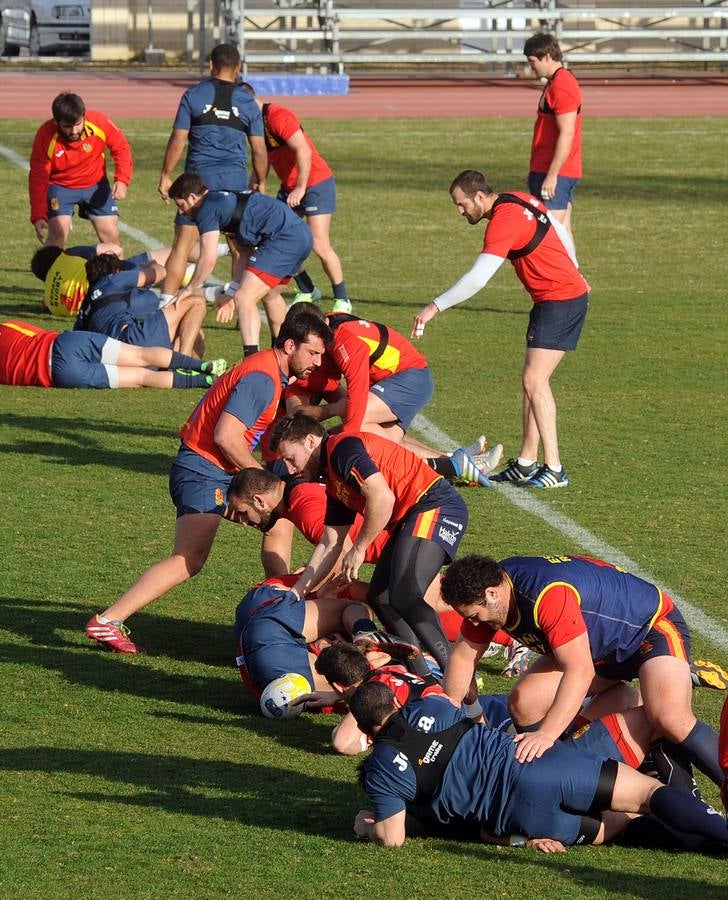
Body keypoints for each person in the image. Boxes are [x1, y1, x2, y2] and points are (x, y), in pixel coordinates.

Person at [84, 310, 332, 654]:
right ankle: (108, 621)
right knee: (189, 558)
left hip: (208, 468)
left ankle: (284, 608)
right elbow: (227, 436)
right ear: (290, 345)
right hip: (203, 470)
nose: (318, 362)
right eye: (313, 353)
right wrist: (264, 483)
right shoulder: (262, 377)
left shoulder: (269, 372)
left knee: (278, 524)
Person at [439, 553, 725, 788]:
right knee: (524, 702)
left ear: (492, 594)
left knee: (669, 717)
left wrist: (546, 736)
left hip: (648, 629)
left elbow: (580, 671)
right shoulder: (490, 593)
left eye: (475, 617)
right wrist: (446, 716)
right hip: (594, 647)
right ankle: (553, 773)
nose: (474, 625)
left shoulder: (545, 595)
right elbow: (463, 658)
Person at [349, 681, 728, 851]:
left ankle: (714, 848)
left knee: (623, 828)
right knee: (648, 793)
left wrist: (366, 827)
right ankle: (722, 835)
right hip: (535, 763)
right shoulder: (431, 706)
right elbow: (468, 711)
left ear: (367, 732)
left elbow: (392, 837)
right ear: (396, 705)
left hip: (520, 819)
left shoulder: (381, 772)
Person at [412, 170, 590, 488]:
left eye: (462, 204)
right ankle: (525, 462)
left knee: (534, 380)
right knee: (532, 381)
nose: (460, 212)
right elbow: (559, 228)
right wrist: (575, 268)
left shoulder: (503, 222)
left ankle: (555, 468)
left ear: (480, 197)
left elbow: (479, 278)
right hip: (552, 297)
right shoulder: (517, 198)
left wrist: (434, 306)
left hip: (561, 300)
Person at [269, 413, 469, 677]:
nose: (290, 468)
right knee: (381, 597)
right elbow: (331, 542)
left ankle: (457, 677)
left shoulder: (342, 450)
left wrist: (360, 547)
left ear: (310, 441)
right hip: (411, 517)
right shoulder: (332, 479)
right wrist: (297, 592)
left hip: (435, 505)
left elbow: (382, 497)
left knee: (405, 594)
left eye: (289, 458)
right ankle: (423, 676)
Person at [286, 303, 500, 485]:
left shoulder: (343, 338)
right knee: (385, 439)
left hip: (409, 379)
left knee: (357, 425)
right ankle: (456, 462)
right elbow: (327, 384)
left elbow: (355, 395)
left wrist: (329, 422)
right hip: (404, 380)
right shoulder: (332, 326)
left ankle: (452, 465)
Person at [157, 43, 267, 298]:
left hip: (197, 183)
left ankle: (165, 304)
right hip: (235, 181)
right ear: (238, 69)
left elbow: (178, 139)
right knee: (241, 249)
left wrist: (165, 174)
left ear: (210, 65)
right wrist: (260, 179)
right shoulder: (248, 102)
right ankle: (240, 305)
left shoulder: (193, 95)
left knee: (182, 246)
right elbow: (259, 149)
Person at [168, 173, 313, 357]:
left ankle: (251, 359)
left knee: (244, 298)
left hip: (284, 238)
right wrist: (229, 293)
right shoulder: (222, 201)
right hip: (301, 235)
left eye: (181, 205)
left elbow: (208, 258)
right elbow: (243, 253)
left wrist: (189, 288)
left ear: (192, 197)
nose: (182, 212)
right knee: (269, 295)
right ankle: (284, 353)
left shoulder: (206, 209)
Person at [241, 83, 351, 313]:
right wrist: (257, 182)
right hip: (290, 187)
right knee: (277, 238)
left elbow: (303, 150)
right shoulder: (255, 123)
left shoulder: (279, 116)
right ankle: (308, 289)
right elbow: (264, 157)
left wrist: (301, 187)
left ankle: (342, 299)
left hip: (314, 183)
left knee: (319, 243)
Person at [234, 574, 374, 703]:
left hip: (265, 620)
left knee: (355, 609)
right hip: (272, 670)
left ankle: (368, 639)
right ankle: (369, 640)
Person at [29, 92, 133, 248]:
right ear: (56, 123)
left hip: (96, 185)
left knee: (110, 233)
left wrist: (122, 179)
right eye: (67, 127)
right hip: (60, 187)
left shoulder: (99, 122)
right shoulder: (45, 135)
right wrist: (38, 215)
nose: (74, 131)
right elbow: (38, 176)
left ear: (83, 116)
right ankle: (50, 271)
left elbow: (121, 148)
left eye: (77, 124)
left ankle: (117, 272)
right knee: (58, 232)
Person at [0, 319, 222, 390]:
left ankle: (207, 381)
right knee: (140, 355)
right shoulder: (7, 326)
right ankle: (203, 365)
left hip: (60, 374)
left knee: (141, 378)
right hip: (63, 344)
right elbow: (37, 333)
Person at [75, 253, 207, 358]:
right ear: (116, 271)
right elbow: (160, 273)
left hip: (117, 359)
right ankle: (183, 363)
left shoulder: (85, 308)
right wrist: (150, 265)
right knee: (197, 302)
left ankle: (185, 365)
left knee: (187, 329)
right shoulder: (113, 279)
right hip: (133, 340)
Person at [523, 33, 582, 244]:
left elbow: (567, 132)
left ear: (547, 56)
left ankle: (565, 277)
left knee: (551, 236)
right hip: (548, 169)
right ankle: (575, 277)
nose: (531, 68)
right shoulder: (555, 82)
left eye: (533, 62)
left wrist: (552, 174)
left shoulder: (562, 85)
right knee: (563, 231)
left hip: (558, 172)